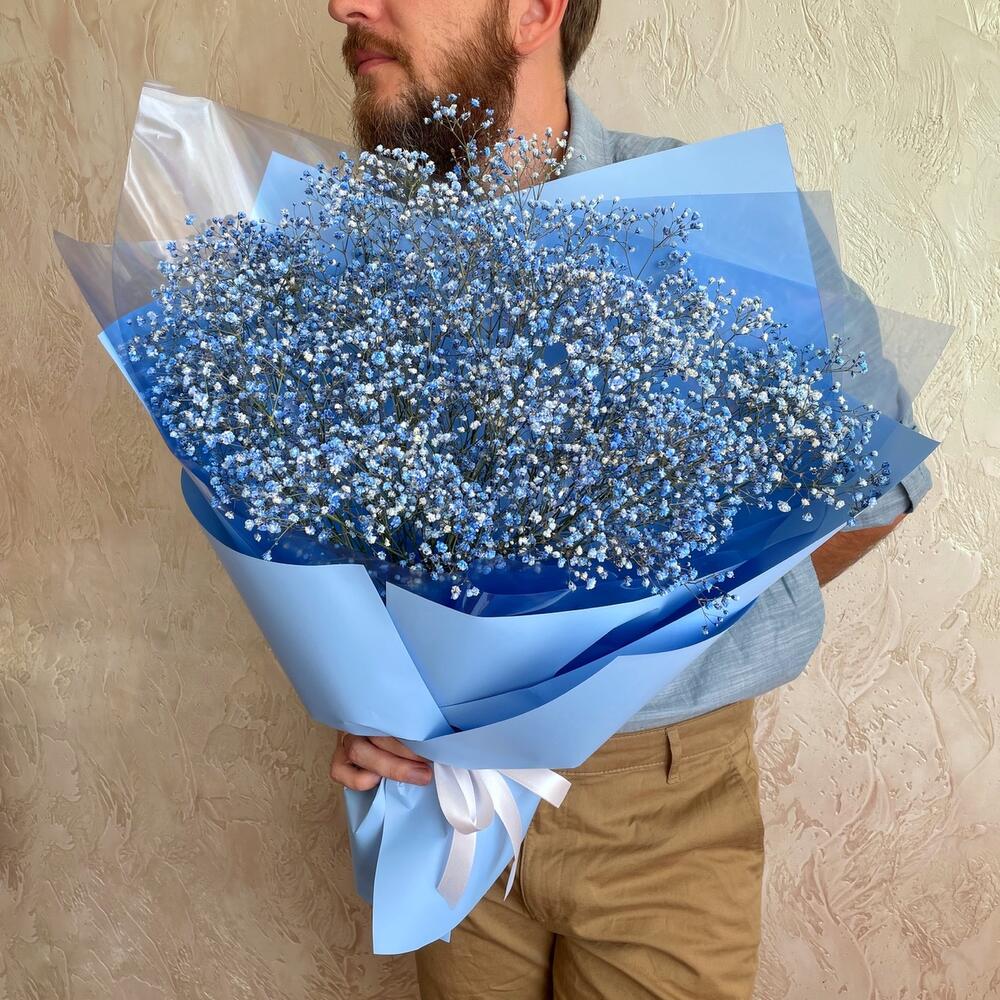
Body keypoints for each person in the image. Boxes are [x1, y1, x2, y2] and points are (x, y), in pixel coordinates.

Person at [324, 1, 933, 997]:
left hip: (661, 814)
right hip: (442, 804)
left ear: (535, 11)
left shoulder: (712, 223)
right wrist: (367, 700)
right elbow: (343, 544)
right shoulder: (348, 253)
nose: (345, 3)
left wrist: (673, 634)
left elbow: (877, 486)